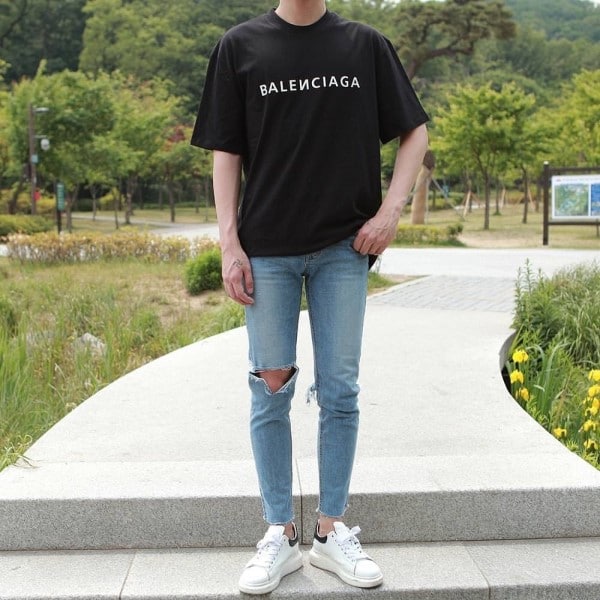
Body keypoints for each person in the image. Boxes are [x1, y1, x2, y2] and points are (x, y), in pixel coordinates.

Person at [191, 0, 428, 594]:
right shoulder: (240, 46)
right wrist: (228, 242)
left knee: (340, 391)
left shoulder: (365, 45)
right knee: (270, 387)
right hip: (266, 249)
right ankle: (278, 532)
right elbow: (226, 151)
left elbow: (415, 130)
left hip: (344, 248)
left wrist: (390, 211)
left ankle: (329, 532)